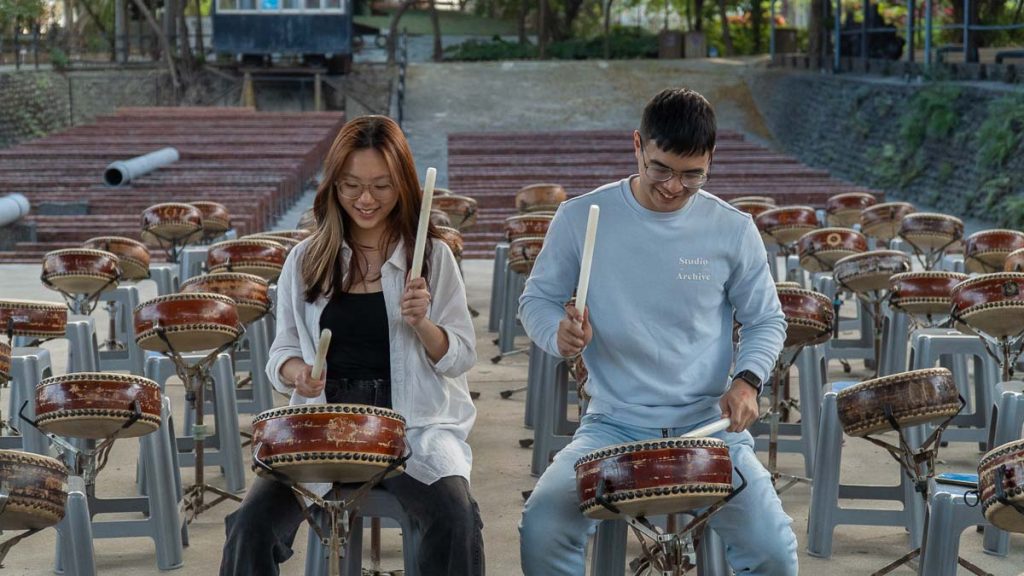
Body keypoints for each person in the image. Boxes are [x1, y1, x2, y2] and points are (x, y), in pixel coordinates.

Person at [518, 88, 797, 575]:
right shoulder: (581, 217)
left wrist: (747, 380)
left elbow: (765, 318)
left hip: (709, 428)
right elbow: (536, 301)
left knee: (773, 551)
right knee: (542, 525)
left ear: (711, 161)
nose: (673, 187)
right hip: (613, 423)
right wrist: (557, 335)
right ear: (637, 146)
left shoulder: (731, 228)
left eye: (693, 175)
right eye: (661, 168)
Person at [220, 115, 484, 576]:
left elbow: (460, 356)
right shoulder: (305, 259)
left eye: (381, 186)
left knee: (456, 517)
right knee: (250, 525)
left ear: (402, 183)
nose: (366, 199)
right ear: (333, 186)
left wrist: (423, 324)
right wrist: (297, 373)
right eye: (351, 185)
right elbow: (279, 353)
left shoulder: (432, 257)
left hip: (411, 425)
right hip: (323, 422)